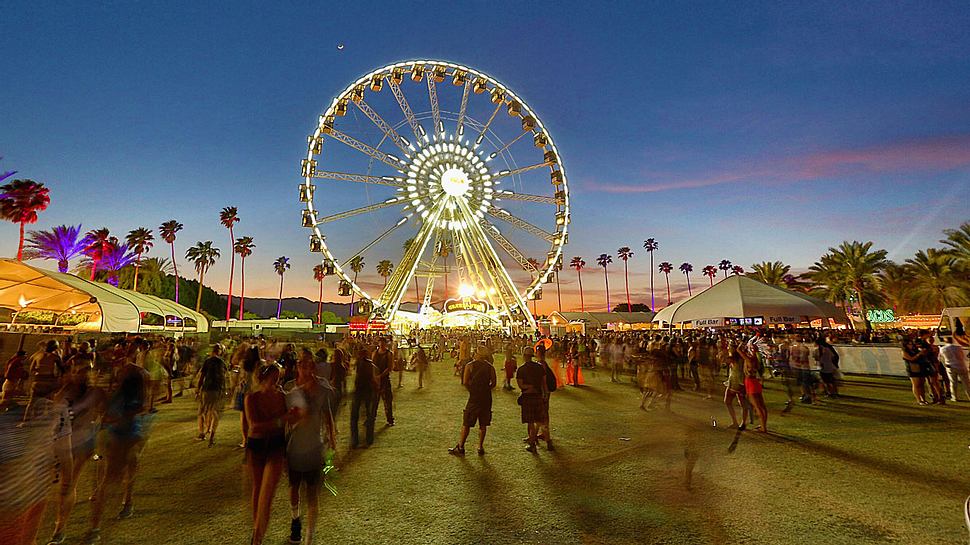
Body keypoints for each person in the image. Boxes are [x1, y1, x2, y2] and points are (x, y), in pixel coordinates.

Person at [85, 351, 152, 544]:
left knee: (107, 481)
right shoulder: (135, 396)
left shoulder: (119, 396)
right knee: (126, 472)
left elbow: (107, 415)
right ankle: (126, 501)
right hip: (128, 436)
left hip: (119, 436)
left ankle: (97, 526)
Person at [46, 355, 106, 545]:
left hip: (86, 443)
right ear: (72, 373)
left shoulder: (96, 392)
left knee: (93, 488)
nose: (84, 374)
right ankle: (60, 529)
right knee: (67, 486)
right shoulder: (64, 393)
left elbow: (105, 416)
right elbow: (55, 419)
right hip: (68, 445)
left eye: (87, 370)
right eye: (79, 371)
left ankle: (93, 528)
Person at [285, 356, 336, 545]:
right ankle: (295, 520)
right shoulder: (292, 390)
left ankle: (308, 538)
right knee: (294, 489)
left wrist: (332, 435)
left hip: (314, 448)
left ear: (313, 368)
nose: (304, 370)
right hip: (295, 449)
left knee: (312, 494)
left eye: (307, 366)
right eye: (301, 366)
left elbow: (327, 412)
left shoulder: (322, 390)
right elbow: (287, 421)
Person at [245, 364, 294, 545]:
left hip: (275, 446)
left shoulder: (281, 396)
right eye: (274, 378)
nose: (277, 381)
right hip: (257, 446)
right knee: (258, 491)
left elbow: (288, 421)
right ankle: (256, 529)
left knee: (267, 493)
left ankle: (257, 536)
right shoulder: (252, 398)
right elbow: (254, 425)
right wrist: (281, 419)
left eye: (278, 378)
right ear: (264, 378)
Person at [448, 346, 497, 456]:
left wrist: (473, 390)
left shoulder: (470, 366)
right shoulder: (490, 367)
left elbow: (465, 381)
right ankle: (480, 446)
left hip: (474, 398)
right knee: (483, 424)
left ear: (476, 353)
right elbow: (493, 383)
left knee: (467, 423)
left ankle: (461, 446)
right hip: (486, 398)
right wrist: (485, 389)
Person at [197, 344, 229, 447]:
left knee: (202, 411)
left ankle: (202, 433)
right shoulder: (222, 362)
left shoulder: (208, 361)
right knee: (215, 412)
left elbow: (202, 376)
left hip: (207, 389)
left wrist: (198, 388)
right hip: (218, 389)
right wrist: (225, 390)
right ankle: (212, 435)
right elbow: (225, 377)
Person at [516, 347, 547, 453]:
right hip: (538, 396)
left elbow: (521, 385)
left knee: (530, 422)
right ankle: (547, 441)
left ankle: (532, 443)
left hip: (528, 397)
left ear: (524, 356)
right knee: (539, 420)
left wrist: (529, 387)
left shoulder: (521, 369)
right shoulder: (539, 367)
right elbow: (544, 383)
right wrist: (545, 395)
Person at [349, 347, 378, 448]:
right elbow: (374, 379)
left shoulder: (362, 364)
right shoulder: (370, 365)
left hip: (361, 391)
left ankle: (355, 440)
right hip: (367, 391)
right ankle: (368, 439)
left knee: (355, 417)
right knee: (368, 416)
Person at [738, 343, 768, 433]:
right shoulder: (756, 359)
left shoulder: (749, 359)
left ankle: (763, 428)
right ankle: (763, 425)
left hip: (750, 382)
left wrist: (741, 343)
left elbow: (738, 350)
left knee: (757, 406)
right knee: (762, 406)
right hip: (755, 382)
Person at [722, 344, 749, 429]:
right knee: (728, 401)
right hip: (733, 382)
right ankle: (738, 422)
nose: (728, 348)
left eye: (729, 348)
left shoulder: (736, 359)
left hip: (738, 383)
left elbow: (724, 360)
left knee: (741, 403)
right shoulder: (737, 359)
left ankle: (741, 423)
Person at [372, 338, 394, 426]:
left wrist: (380, 376)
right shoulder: (375, 353)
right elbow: (372, 365)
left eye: (383, 343)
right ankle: (371, 418)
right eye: (380, 343)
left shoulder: (389, 354)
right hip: (376, 380)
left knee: (387, 401)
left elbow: (389, 367)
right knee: (374, 401)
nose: (381, 345)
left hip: (384, 380)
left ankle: (390, 419)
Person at [941, 336, 970, 401]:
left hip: (950, 366)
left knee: (953, 382)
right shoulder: (958, 348)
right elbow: (963, 356)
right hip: (961, 365)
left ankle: (954, 397)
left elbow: (941, 358)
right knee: (966, 383)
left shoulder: (942, 349)